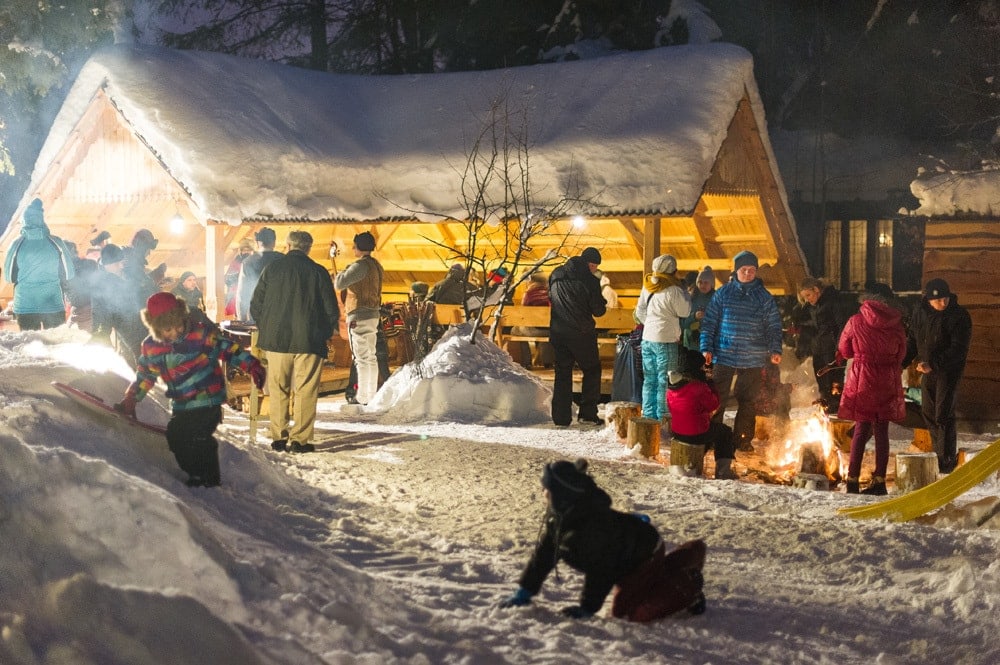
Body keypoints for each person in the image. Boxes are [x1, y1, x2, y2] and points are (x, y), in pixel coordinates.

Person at [498, 458, 707, 620]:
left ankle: (688, 584)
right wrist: (525, 590)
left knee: (630, 613)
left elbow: (602, 570)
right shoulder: (561, 517)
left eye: (547, 489)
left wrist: (588, 608)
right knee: (645, 585)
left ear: (563, 495)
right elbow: (543, 555)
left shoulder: (592, 528)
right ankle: (690, 553)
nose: (543, 493)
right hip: (629, 552)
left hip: (643, 555)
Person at [115, 292, 265, 488]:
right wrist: (131, 398)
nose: (175, 332)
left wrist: (252, 365)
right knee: (176, 437)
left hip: (207, 400)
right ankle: (195, 473)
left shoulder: (200, 335)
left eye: (178, 325)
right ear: (156, 328)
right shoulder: (152, 347)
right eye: (168, 329)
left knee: (199, 437)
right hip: (182, 404)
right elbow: (146, 376)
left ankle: (209, 479)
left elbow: (228, 349)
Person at [251, 230, 339, 453]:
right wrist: (324, 332)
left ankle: (278, 437)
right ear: (308, 248)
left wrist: (266, 327)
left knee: (278, 388)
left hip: (276, 340)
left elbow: (256, 303)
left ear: (287, 246)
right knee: (305, 390)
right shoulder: (318, 272)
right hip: (309, 340)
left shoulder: (272, 269)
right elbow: (331, 310)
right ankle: (300, 440)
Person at [699, 250, 783, 452]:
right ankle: (713, 436)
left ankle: (742, 439)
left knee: (748, 401)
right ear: (736, 271)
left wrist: (775, 349)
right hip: (724, 354)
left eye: (752, 270)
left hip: (753, 357)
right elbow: (710, 322)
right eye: (744, 270)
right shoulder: (723, 293)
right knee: (716, 399)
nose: (748, 274)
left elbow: (773, 325)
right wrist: (706, 347)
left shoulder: (764, 297)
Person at [837, 289, 908, 495]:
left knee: (861, 429)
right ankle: (879, 481)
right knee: (882, 431)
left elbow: (845, 349)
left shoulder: (856, 320)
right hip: (887, 378)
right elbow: (901, 353)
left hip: (863, 378)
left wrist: (860, 355)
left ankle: (852, 479)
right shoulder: (897, 323)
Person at [905, 278, 972, 474]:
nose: (943, 303)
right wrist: (902, 361)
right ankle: (939, 454)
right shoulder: (920, 313)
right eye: (938, 301)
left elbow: (958, 348)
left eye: (945, 299)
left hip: (948, 370)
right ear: (928, 300)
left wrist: (933, 364)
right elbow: (913, 339)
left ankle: (946, 461)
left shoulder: (959, 316)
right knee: (928, 412)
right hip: (929, 370)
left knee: (943, 414)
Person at [548, 247, 607, 427]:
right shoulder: (589, 280)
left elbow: (551, 297)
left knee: (562, 372)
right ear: (590, 263)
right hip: (581, 332)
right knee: (592, 370)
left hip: (558, 331)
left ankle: (561, 417)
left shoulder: (556, 273)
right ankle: (588, 414)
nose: (595, 269)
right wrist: (601, 302)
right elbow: (598, 310)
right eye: (594, 266)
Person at [2, 198, 76, 330]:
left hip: (25, 305)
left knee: (30, 345)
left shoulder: (17, 244)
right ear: (42, 220)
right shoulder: (56, 242)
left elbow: (9, 277)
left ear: (24, 221)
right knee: (55, 345)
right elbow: (69, 273)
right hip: (52, 303)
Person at [634, 254, 691, 423]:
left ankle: (648, 418)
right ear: (673, 271)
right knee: (664, 381)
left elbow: (640, 311)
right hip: (665, 340)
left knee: (649, 380)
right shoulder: (674, 290)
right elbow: (685, 312)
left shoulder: (648, 286)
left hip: (648, 339)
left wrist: (651, 325)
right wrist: (687, 295)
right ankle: (662, 421)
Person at [667, 348, 737, 479]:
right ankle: (723, 471)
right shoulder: (699, 387)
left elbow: (672, 409)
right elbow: (714, 404)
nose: (704, 370)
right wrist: (712, 386)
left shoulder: (672, 387)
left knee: (712, 431)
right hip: (696, 433)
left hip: (677, 432)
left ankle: (695, 460)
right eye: (702, 367)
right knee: (724, 432)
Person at [334, 231, 384, 407]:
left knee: (361, 357)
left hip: (359, 314)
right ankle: (370, 394)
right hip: (373, 314)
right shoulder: (376, 265)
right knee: (370, 356)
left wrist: (344, 269)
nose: (353, 248)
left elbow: (339, 283)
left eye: (354, 245)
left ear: (359, 247)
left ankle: (363, 396)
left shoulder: (359, 266)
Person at [797, 277, 858, 413]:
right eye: (804, 297)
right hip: (819, 348)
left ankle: (836, 407)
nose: (808, 299)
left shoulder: (833, 301)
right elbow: (817, 326)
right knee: (821, 380)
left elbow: (842, 325)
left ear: (816, 290)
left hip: (832, 349)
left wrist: (840, 348)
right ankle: (825, 405)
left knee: (833, 380)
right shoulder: (814, 306)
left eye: (808, 295)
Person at [91, 244, 147, 365]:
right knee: (137, 364)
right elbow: (101, 316)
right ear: (108, 265)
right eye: (118, 262)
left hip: (146, 327)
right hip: (127, 334)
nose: (122, 265)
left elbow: (146, 293)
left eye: (123, 261)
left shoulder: (131, 275)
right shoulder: (101, 285)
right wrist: (102, 337)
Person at [236, 227, 283, 322]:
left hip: (257, 313)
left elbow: (243, 292)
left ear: (258, 243)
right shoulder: (283, 260)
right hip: (280, 312)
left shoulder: (248, 262)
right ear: (274, 243)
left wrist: (242, 318)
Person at [510, 271, 553, 368]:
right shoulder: (551, 293)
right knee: (547, 330)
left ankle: (526, 361)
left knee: (514, 330)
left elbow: (523, 314)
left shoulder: (529, 293)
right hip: (550, 329)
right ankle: (548, 361)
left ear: (531, 282)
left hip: (534, 330)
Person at [123, 228, 166, 304]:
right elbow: (141, 287)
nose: (149, 253)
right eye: (148, 249)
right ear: (143, 248)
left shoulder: (131, 259)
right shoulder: (131, 262)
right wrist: (157, 275)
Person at [682, 265, 715, 351]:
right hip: (690, 344)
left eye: (706, 282)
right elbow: (682, 322)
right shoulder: (691, 297)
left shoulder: (717, 298)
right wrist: (694, 317)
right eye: (700, 282)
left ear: (712, 284)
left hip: (709, 344)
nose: (703, 285)